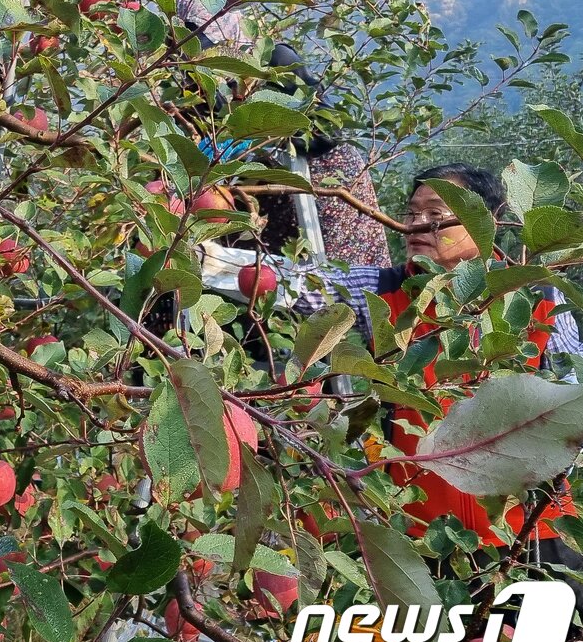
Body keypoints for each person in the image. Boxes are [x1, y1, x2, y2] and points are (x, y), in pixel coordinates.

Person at [202, 164, 583, 599]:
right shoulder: (386, 291)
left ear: (486, 221)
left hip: (532, 533)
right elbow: (296, 284)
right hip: (427, 538)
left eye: (436, 213)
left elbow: (575, 394)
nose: (416, 225)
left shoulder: (539, 296)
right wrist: (204, 256)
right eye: (411, 212)